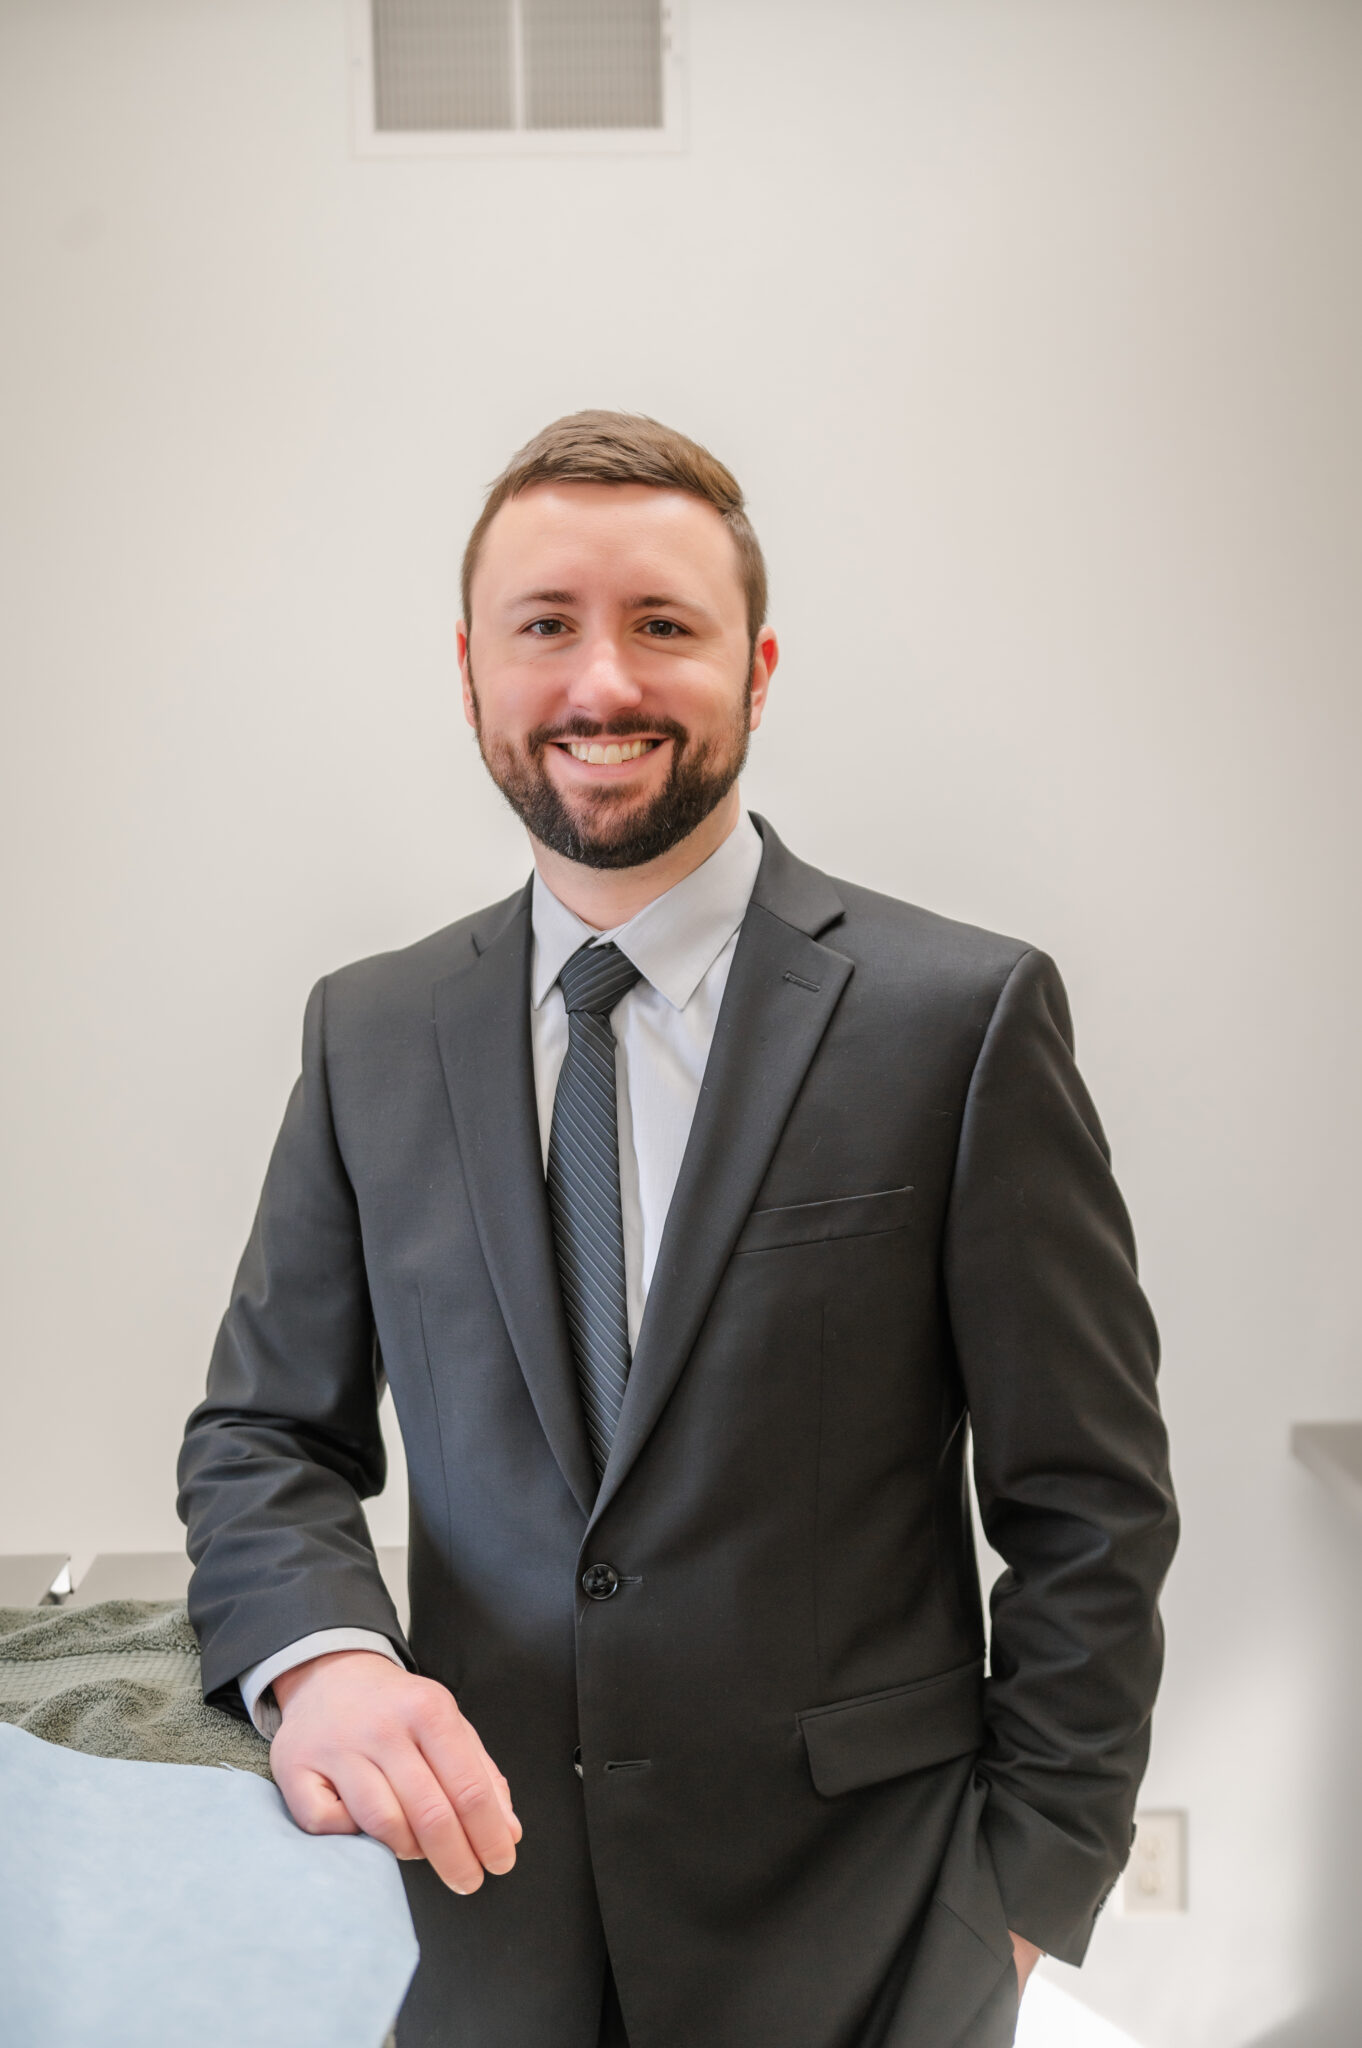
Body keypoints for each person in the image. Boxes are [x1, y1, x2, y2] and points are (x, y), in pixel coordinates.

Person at [178, 411, 1178, 2048]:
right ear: (470, 669)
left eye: (662, 626)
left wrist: (1019, 1894)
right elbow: (261, 1433)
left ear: (756, 666)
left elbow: (1090, 1506)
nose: (600, 686)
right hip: (468, 1918)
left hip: (865, 1926)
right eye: (545, 626)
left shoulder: (960, 1017)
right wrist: (323, 1659)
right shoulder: (369, 1030)